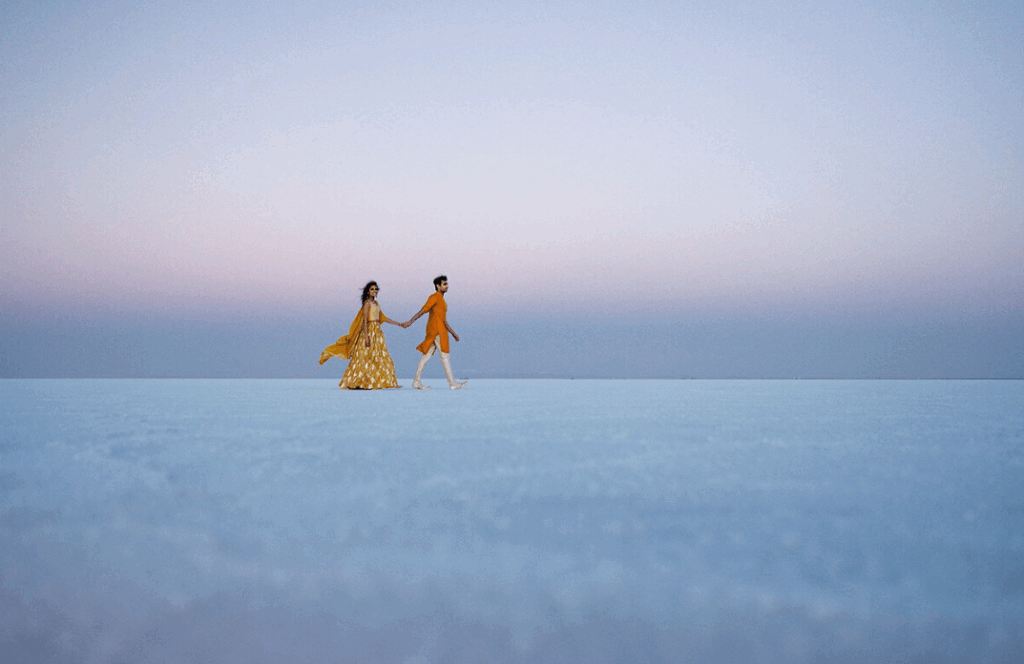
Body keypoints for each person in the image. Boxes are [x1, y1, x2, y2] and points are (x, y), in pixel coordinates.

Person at [319, 281, 402, 389]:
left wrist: (399, 324)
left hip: (378, 332)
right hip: (369, 331)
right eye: (372, 289)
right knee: (365, 357)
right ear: (368, 291)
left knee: (379, 356)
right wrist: (366, 336)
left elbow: (384, 318)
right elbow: (364, 320)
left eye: (376, 289)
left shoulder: (377, 304)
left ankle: (377, 382)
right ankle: (358, 382)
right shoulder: (367, 303)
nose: (374, 291)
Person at [403, 275, 467, 390]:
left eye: (447, 284)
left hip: (438, 329)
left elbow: (444, 320)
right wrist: (411, 321)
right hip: (437, 331)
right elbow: (423, 310)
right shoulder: (434, 297)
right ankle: (452, 383)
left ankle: (416, 382)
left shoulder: (441, 300)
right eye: (444, 284)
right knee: (445, 356)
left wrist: (453, 333)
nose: (447, 286)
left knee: (426, 356)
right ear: (438, 286)